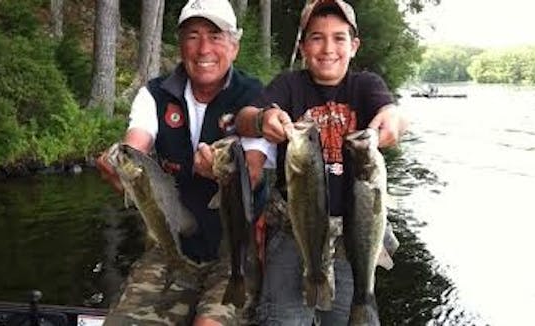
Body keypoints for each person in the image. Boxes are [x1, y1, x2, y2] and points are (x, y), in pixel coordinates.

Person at [96, 0, 274, 325]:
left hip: (234, 252)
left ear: (234, 45)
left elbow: (254, 173)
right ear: (180, 44)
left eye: (215, 35)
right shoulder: (154, 95)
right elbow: (135, 143)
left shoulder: (255, 97)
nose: (203, 48)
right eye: (193, 36)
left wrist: (222, 173)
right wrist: (118, 163)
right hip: (171, 249)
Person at [235, 0, 407, 325]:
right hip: (293, 229)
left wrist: (393, 120)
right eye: (316, 37)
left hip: (352, 233)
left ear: (354, 46)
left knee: (354, 313)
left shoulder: (366, 85)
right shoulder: (289, 85)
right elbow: (243, 119)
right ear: (302, 46)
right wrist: (262, 119)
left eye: (339, 38)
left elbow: (392, 114)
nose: (328, 48)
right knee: (281, 318)